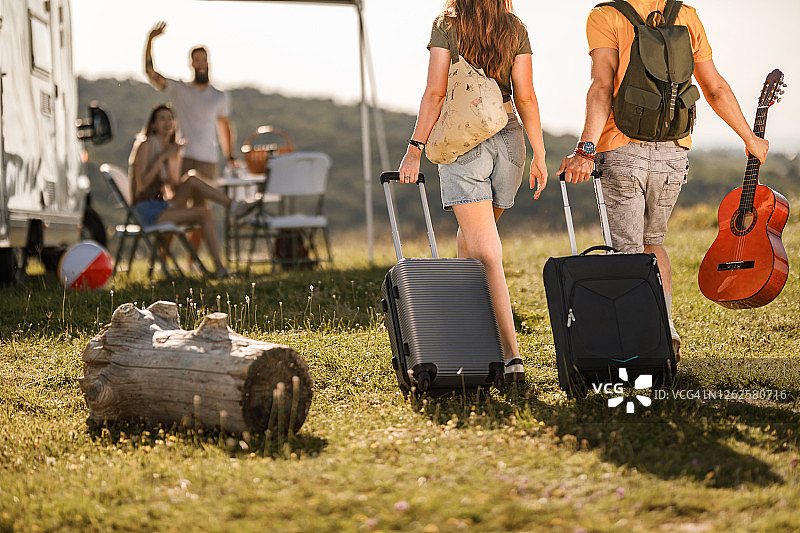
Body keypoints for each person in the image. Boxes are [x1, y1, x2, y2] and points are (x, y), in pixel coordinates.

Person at [557, 0, 770, 362]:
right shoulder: (685, 15)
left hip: (621, 150)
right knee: (653, 243)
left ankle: (636, 345)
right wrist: (749, 138)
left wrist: (585, 151)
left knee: (625, 254)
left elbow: (601, 87)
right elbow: (714, 88)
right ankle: (665, 331)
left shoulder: (605, 15)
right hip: (673, 154)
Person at [398, 0, 548, 383]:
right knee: (470, 242)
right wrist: (539, 154)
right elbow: (526, 96)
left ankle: (510, 357)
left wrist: (414, 150)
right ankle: (470, 341)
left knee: (486, 254)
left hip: (464, 142)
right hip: (510, 141)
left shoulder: (447, 24)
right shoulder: (514, 26)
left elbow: (435, 93)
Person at [144, 21, 239, 256]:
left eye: (204, 59)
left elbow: (224, 127)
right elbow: (151, 74)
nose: (201, 63)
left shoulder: (219, 96)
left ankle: (192, 261)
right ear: (191, 64)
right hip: (183, 158)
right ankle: (163, 258)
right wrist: (150, 40)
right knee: (176, 208)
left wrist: (230, 156)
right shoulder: (180, 89)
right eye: (197, 60)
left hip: (209, 160)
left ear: (208, 62)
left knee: (201, 210)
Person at [129, 104, 252, 278]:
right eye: (162, 119)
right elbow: (142, 185)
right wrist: (162, 157)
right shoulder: (146, 144)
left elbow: (173, 188)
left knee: (192, 179)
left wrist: (173, 159)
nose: (167, 122)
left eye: (170, 118)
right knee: (204, 214)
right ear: (153, 124)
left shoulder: (168, 147)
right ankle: (220, 268)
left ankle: (234, 206)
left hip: (161, 204)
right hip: (146, 209)